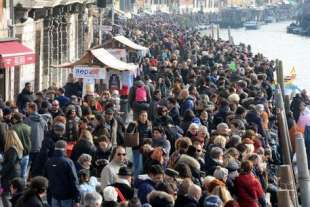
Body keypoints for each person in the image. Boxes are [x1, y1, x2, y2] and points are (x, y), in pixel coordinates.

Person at [44, 140, 80, 207]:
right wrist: (77, 199)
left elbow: (46, 179)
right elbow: (74, 180)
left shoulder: (48, 161)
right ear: (65, 149)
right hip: (67, 196)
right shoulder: (68, 162)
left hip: (54, 195)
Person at [0, 130, 24, 207]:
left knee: (5, 194)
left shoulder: (12, 149)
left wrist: (1, 172)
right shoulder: (17, 147)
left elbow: (10, 163)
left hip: (10, 174)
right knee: (11, 193)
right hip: (16, 171)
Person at [24, 102, 48, 172]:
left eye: (27, 108)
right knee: (37, 168)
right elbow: (46, 132)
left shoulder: (27, 120)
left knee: (27, 168)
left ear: (31, 109)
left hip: (30, 147)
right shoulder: (43, 120)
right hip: (40, 146)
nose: (26, 110)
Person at [11, 112, 31, 179]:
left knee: (15, 175)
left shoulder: (12, 128)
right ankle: (23, 187)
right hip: (26, 154)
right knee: (23, 174)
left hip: (17, 155)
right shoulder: (28, 127)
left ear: (15, 119)